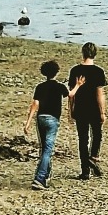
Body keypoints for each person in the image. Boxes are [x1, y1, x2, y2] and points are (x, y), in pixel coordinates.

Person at [22, 59, 72, 191]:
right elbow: (70, 94)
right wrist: (78, 85)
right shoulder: (59, 86)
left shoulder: (40, 87)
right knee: (48, 150)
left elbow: (35, 104)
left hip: (41, 118)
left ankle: (45, 176)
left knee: (43, 148)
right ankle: (39, 178)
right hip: (52, 119)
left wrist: (28, 122)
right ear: (57, 72)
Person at [67, 42, 107, 180]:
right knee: (97, 134)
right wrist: (102, 111)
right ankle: (93, 157)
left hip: (80, 107)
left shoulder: (74, 70)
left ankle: (85, 170)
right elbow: (99, 94)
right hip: (94, 108)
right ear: (95, 54)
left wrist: (70, 109)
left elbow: (71, 93)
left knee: (83, 138)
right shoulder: (98, 71)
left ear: (83, 53)